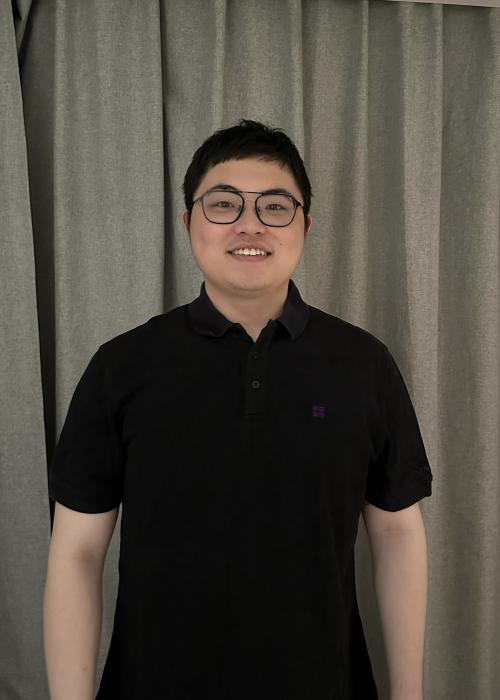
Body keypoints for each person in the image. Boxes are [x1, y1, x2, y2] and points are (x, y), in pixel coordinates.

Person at [44, 118, 433, 699]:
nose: (250, 224)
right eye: (224, 204)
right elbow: (76, 550)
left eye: (275, 206)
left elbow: (398, 532)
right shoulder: (122, 367)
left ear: (305, 226)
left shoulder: (363, 365)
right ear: (188, 222)